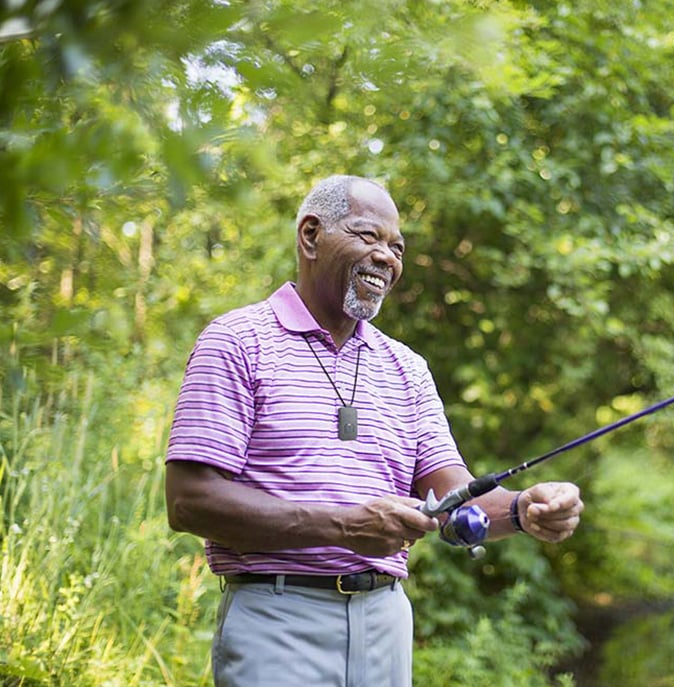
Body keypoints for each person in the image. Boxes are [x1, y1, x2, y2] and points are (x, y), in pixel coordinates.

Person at [164, 174, 584, 687]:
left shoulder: (406, 368)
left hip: (386, 621)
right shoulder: (235, 342)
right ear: (311, 236)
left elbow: (452, 502)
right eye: (369, 236)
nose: (387, 257)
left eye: (397, 247)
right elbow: (189, 502)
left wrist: (523, 509)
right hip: (276, 620)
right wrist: (344, 527)